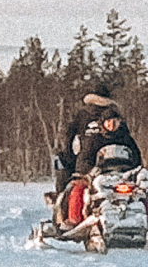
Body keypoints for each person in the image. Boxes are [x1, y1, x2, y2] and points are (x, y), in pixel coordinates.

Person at [52, 88, 143, 225]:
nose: (112, 126)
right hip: (97, 169)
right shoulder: (96, 137)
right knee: (78, 187)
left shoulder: (83, 115)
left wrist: (70, 158)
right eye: (109, 123)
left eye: (115, 123)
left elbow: (134, 152)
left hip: (114, 171)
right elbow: (86, 154)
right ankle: (74, 218)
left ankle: (73, 218)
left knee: (140, 191)